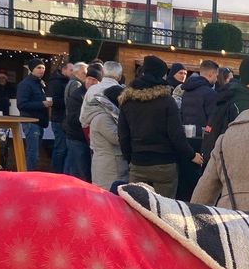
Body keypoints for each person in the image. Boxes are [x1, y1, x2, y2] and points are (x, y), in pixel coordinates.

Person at [118, 54, 194, 199]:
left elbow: (123, 135)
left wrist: (130, 158)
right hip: (164, 164)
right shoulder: (167, 101)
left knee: (136, 209)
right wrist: (191, 155)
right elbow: (176, 135)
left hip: (138, 162)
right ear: (162, 75)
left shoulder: (127, 100)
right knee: (163, 211)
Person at [201, 56, 249, 161]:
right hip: (231, 163)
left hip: (217, 159)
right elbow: (245, 140)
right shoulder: (243, 103)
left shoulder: (232, 95)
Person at [178, 60, 219, 198]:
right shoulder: (210, 94)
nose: (216, 79)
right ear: (211, 74)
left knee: (184, 186)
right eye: (216, 76)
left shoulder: (187, 92)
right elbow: (212, 121)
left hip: (186, 143)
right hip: (202, 144)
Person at [85, 85, 128, 191]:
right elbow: (117, 138)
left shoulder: (107, 114)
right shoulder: (103, 117)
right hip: (109, 165)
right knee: (107, 195)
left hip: (110, 162)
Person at [64, 65, 101, 182]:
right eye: (89, 78)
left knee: (79, 171)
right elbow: (73, 118)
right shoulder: (77, 95)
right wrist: (90, 118)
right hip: (77, 138)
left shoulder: (99, 95)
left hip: (89, 140)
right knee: (81, 174)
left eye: (94, 80)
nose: (90, 82)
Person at [15, 58, 50, 171]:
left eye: (43, 68)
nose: (42, 70)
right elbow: (21, 104)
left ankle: (29, 173)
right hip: (31, 121)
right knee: (32, 153)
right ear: (32, 69)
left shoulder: (40, 84)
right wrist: (42, 104)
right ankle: (27, 174)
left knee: (34, 152)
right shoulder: (26, 84)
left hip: (38, 122)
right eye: (39, 67)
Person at [46, 61, 73, 173]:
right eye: (71, 70)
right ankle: (56, 172)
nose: (73, 73)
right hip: (58, 119)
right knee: (60, 148)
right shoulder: (56, 82)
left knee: (63, 148)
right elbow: (53, 101)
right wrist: (70, 102)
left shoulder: (66, 81)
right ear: (64, 70)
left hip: (63, 119)